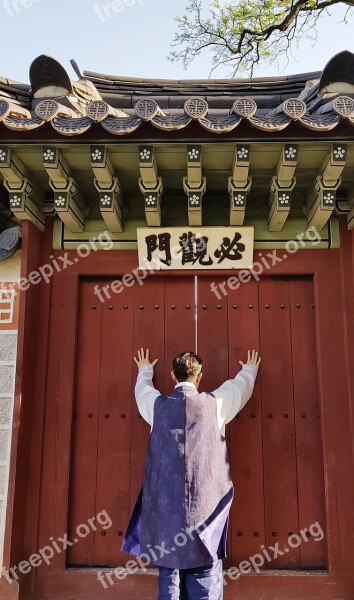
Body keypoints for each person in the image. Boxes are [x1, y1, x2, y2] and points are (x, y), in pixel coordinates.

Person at [121, 347, 261, 600]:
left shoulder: (156, 405)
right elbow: (239, 389)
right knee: (204, 568)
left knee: (170, 571)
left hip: (166, 510)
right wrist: (249, 369)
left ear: (173, 377)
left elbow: (142, 390)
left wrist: (145, 369)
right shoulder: (216, 403)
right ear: (199, 377)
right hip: (205, 506)